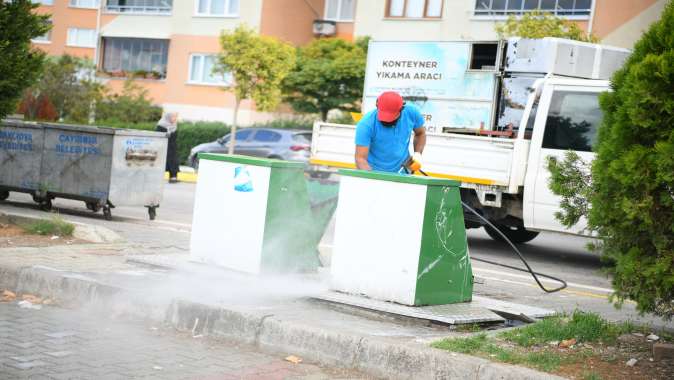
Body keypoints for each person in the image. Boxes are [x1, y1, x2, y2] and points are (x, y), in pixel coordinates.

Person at [355, 91, 426, 173]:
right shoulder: (366, 124)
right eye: (384, 117)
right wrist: (372, 178)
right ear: (377, 106)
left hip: (403, 171)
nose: (387, 121)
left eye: (391, 117)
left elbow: (420, 133)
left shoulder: (411, 113)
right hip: (373, 171)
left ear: (402, 109)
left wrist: (417, 154)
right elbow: (360, 159)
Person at [156, 112, 180, 183]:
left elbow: (174, 137)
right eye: (173, 117)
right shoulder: (161, 125)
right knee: (162, 162)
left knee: (174, 162)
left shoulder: (174, 126)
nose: (175, 119)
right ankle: (158, 178)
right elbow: (158, 137)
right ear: (168, 117)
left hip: (172, 148)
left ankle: (173, 178)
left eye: (176, 117)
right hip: (163, 147)